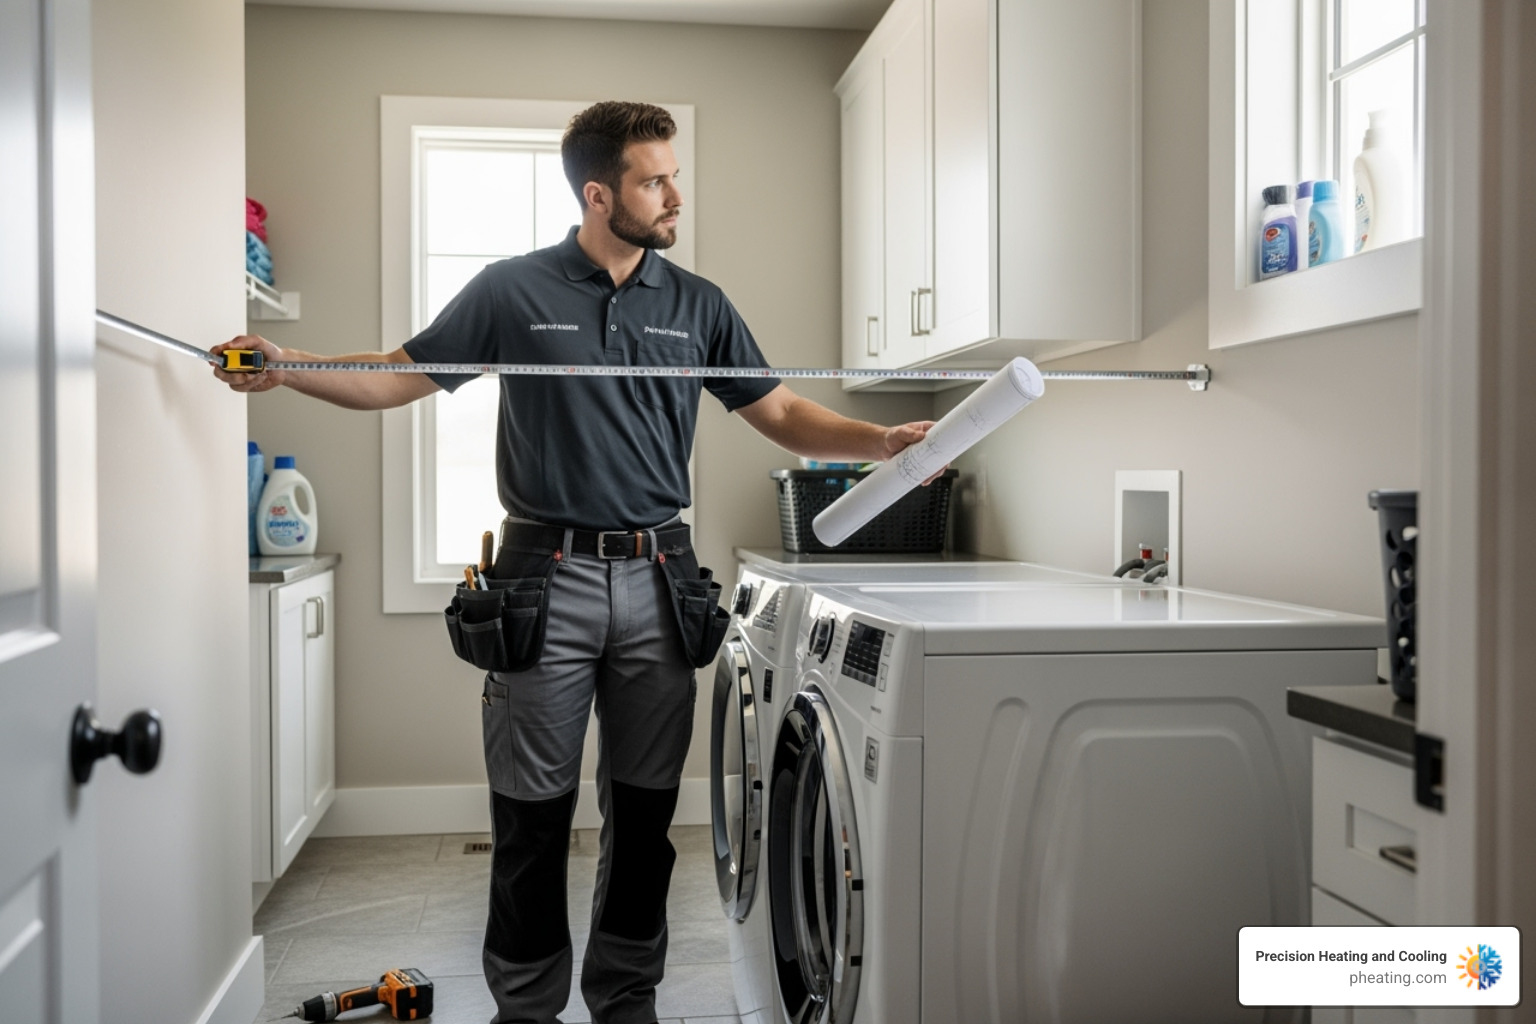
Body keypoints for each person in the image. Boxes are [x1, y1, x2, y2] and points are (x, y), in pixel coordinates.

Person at [214, 100, 937, 1024]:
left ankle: (624, 998)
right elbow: (399, 374)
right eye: (653, 179)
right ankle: (526, 1006)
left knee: (643, 821)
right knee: (530, 818)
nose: (675, 193)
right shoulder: (512, 292)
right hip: (540, 581)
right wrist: (290, 365)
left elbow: (783, 413)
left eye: (673, 173)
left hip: (660, 580)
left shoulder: (698, 304)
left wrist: (881, 441)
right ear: (600, 195)